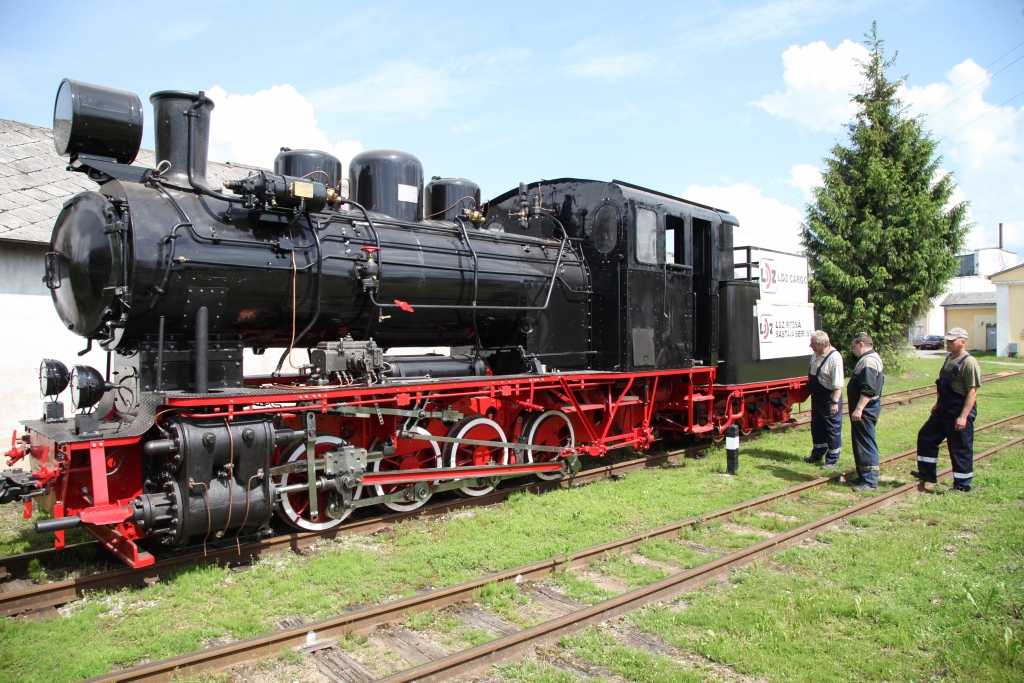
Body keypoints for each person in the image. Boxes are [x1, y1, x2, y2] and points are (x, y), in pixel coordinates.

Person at [913, 327, 981, 492]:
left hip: (958, 409)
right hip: (944, 407)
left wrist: (963, 416)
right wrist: (938, 404)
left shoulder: (969, 362)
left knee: (959, 446)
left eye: (952, 341)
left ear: (962, 342)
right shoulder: (949, 358)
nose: (947, 343)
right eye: (947, 340)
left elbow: (972, 392)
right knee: (926, 436)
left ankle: (962, 484)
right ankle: (927, 473)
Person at [847, 333, 885, 492]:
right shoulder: (872, 357)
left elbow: (868, 389)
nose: (853, 350)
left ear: (861, 344)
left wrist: (859, 408)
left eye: (854, 346)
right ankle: (863, 475)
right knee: (861, 441)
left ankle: (869, 482)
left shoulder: (868, 361)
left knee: (866, 442)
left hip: (866, 409)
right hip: (867, 408)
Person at [804, 330, 844, 469]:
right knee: (817, 426)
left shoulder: (835, 359)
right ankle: (818, 453)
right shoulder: (815, 355)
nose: (810, 345)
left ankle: (832, 460)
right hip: (817, 396)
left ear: (822, 344)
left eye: (813, 343)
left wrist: (834, 402)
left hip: (829, 397)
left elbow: (838, 384)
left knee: (832, 428)